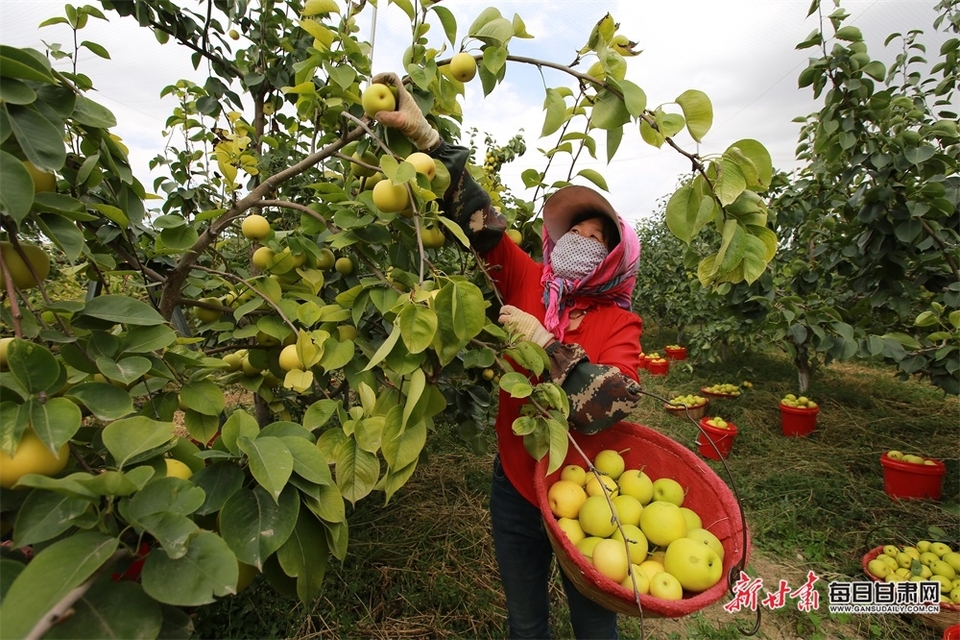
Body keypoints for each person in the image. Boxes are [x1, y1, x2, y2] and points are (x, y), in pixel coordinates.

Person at [370, 72, 644, 640]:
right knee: (525, 623)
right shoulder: (528, 280)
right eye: (576, 231)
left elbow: (614, 404)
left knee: (595, 626)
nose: (581, 242)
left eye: (597, 239)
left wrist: (545, 345)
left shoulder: (621, 322)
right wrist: (427, 139)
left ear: (617, 258)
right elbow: (482, 222)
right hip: (515, 483)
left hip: (587, 492)